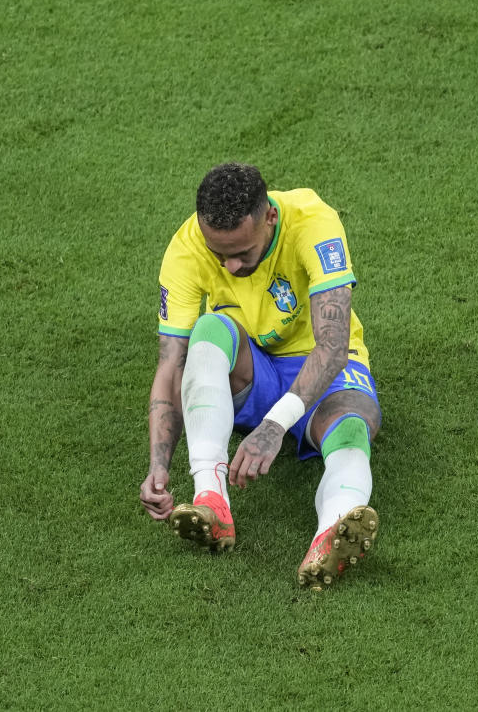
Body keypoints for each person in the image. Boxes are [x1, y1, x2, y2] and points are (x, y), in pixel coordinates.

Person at [139, 163, 382, 590]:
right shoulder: (187, 246)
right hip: (251, 370)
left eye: (242, 254)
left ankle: (331, 533)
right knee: (208, 329)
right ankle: (210, 498)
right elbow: (171, 365)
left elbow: (333, 347)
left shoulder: (312, 220)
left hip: (320, 367)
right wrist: (158, 464)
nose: (229, 267)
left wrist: (274, 426)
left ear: (269, 216)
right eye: (220, 256)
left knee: (352, 425)